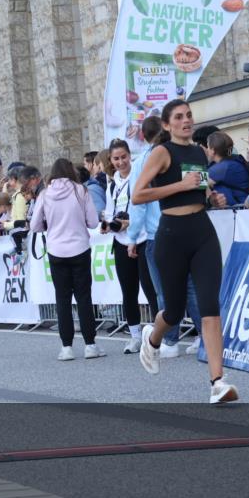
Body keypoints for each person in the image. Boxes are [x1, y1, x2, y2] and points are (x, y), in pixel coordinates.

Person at [132, 99, 238, 404]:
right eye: (179, 117)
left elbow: (200, 188)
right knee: (175, 311)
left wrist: (212, 198)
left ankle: (217, 382)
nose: (186, 120)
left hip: (202, 233)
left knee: (210, 307)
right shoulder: (162, 153)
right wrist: (179, 186)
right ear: (167, 125)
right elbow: (138, 195)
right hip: (171, 235)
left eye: (189, 115)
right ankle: (152, 338)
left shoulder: (199, 152)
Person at [29, 158, 102, 361]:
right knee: (84, 298)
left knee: (62, 299)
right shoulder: (81, 191)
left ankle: (67, 347)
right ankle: (90, 345)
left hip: (56, 250)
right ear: (71, 171)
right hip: (79, 247)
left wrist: (49, 226)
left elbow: (35, 225)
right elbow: (94, 222)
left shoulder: (45, 194)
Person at [102, 139, 158, 354]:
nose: (120, 162)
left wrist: (130, 224)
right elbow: (109, 212)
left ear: (130, 156)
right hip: (121, 241)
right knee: (128, 291)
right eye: (116, 159)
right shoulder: (112, 184)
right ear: (111, 160)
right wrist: (109, 224)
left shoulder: (139, 176)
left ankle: (156, 335)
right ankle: (134, 335)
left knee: (150, 288)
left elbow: (147, 207)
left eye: (124, 157)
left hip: (143, 238)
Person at [205, 132, 249, 206]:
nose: (207, 150)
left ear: (213, 150)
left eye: (208, 147)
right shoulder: (232, 162)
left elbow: (197, 182)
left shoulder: (223, 167)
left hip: (240, 210)